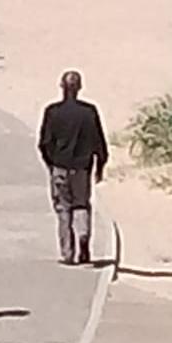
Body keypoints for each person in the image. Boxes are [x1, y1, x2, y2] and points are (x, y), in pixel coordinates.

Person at [38, 70, 108, 265]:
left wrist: (51, 164)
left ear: (62, 87)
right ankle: (83, 235)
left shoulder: (52, 112)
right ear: (79, 88)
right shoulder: (89, 112)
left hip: (60, 167)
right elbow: (99, 143)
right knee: (81, 205)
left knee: (63, 209)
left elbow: (44, 143)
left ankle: (68, 253)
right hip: (82, 169)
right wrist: (100, 166)